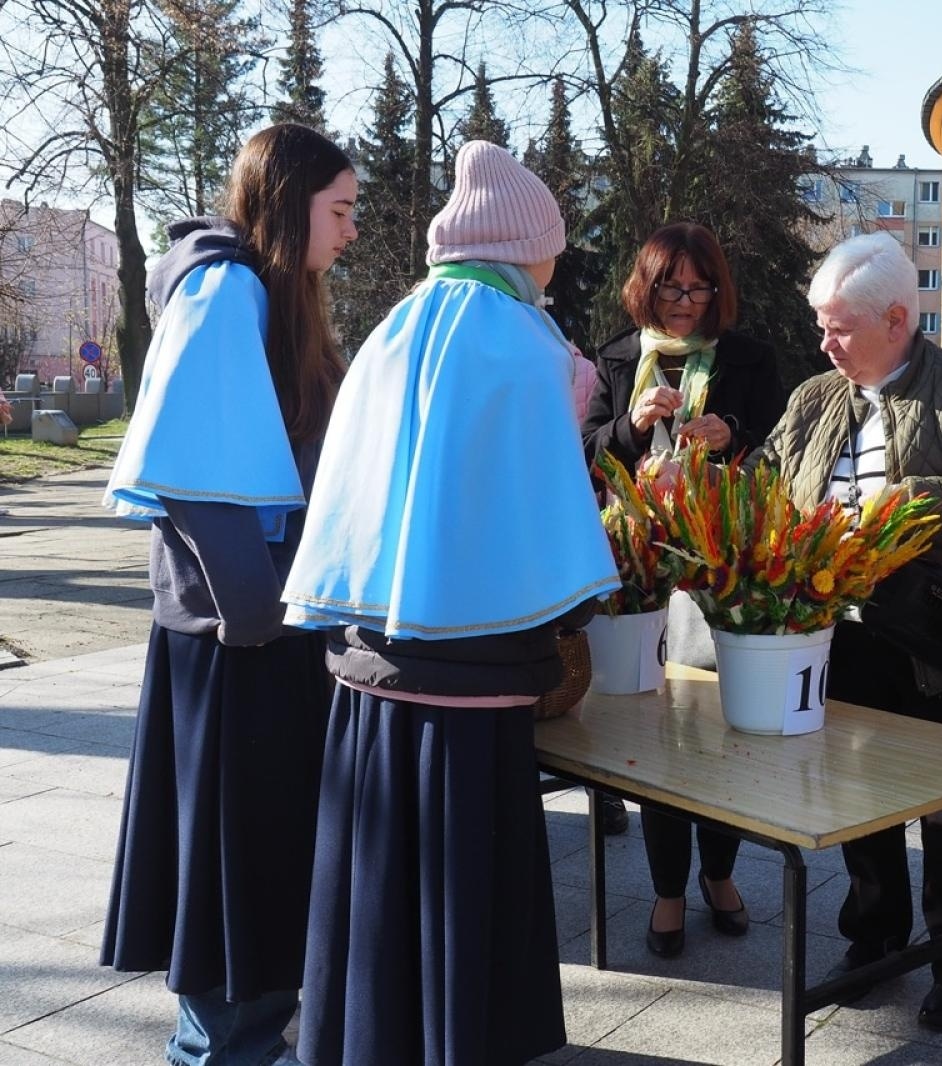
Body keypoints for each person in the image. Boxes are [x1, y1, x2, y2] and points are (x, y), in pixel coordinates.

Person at [281, 141, 619, 1065]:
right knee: (461, 899)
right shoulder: (521, 339)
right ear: (525, 249)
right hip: (474, 682)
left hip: (368, 670)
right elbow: (544, 508)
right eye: (551, 252)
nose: (554, 271)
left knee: (379, 896)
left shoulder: (395, 327)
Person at [100, 123, 358, 1066]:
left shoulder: (253, 291)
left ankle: (228, 1048)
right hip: (238, 640)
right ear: (289, 205)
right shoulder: (226, 288)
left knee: (243, 867)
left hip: (251, 632)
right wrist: (255, 614)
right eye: (340, 210)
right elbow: (195, 471)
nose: (352, 230)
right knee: (235, 872)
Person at [751, 230, 942, 1031]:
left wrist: (917, 499)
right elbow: (765, 481)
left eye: (839, 328)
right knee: (859, 804)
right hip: (846, 639)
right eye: (821, 326)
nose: (826, 343)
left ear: (895, 320)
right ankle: (874, 941)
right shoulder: (815, 398)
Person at [580, 221, 784, 951]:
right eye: (672, 287)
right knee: (655, 729)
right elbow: (585, 454)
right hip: (638, 571)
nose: (686, 302)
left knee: (722, 723)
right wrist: (631, 428)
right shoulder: (615, 358)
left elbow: (781, 450)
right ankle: (668, 889)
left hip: (721, 564)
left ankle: (719, 873)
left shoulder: (749, 358)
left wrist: (732, 434)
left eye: (700, 289)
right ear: (647, 286)